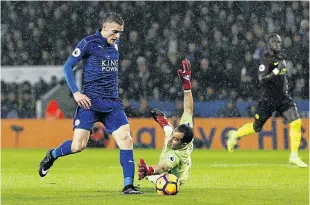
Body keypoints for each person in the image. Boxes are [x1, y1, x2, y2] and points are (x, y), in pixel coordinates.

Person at [38, 12, 143, 194]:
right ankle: (52, 155)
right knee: (78, 146)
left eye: (120, 33)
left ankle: (128, 185)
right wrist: (76, 93)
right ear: (104, 28)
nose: (117, 36)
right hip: (89, 103)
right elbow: (67, 67)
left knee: (126, 140)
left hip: (112, 104)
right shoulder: (88, 43)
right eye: (115, 32)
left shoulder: (115, 44)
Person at [227, 34, 307, 168]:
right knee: (256, 127)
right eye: (275, 42)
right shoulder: (266, 58)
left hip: (283, 98)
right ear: (269, 44)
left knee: (296, 122)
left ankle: (294, 156)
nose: (278, 45)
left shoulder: (281, 57)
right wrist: (276, 70)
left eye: (279, 42)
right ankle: (235, 135)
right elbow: (261, 79)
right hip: (268, 99)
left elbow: (283, 77)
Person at [138, 59, 194, 186]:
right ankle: (163, 121)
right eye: (174, 136)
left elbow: (163, 166)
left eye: (176, 140)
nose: (171, 140)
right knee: (168, 130)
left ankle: (152, 174)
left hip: (172, 177)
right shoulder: (184, 130)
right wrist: (187, 84)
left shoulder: (177, 155)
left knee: (156, 178)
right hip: (167, 164)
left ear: (183, 144)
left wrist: (149, 170)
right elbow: (188, 110)